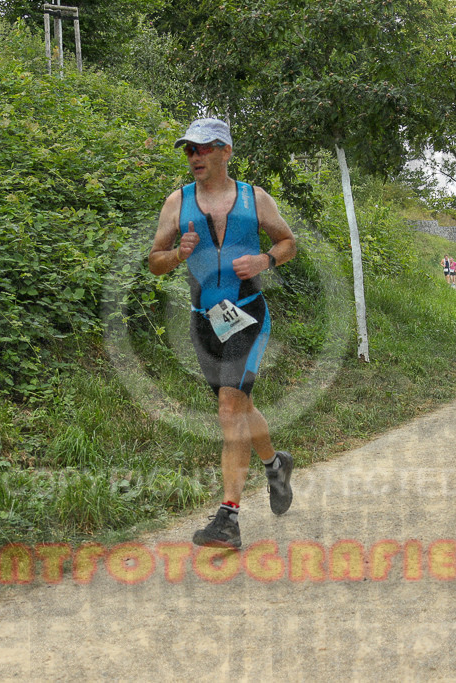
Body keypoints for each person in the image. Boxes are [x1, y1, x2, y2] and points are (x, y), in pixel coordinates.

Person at [148, 118, 297, 549]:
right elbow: (155, 260)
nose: (194, 157)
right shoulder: (178, 202)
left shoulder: (255, 198)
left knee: (230, 409)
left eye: (203, 148)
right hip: (204, 321)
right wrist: (178, 253)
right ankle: (275, 464)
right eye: (188, 150)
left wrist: (265, 261)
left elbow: (288, 241)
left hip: (247, 316)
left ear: (225, 151)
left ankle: (228, 518)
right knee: (241, 406)